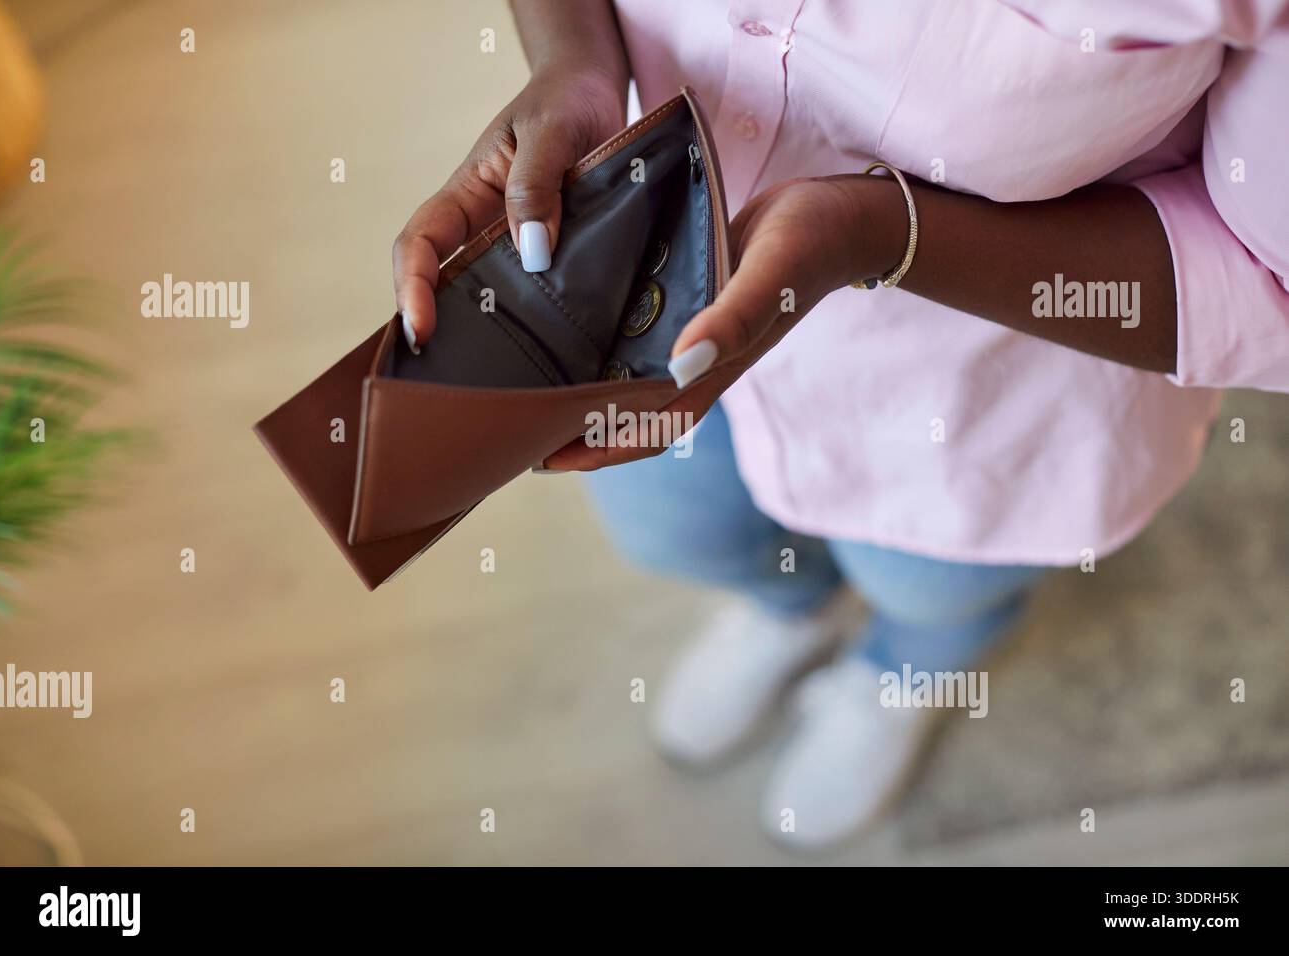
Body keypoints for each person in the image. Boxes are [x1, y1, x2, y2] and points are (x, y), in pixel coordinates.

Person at [394, 0, 1289, 850]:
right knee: (674, 529)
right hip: (650, 298)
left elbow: (1266, 273)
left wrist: (876, 234)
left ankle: (903, 674)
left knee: (934, 590)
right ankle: (794, 610)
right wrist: (574, 62)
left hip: (992, 388)